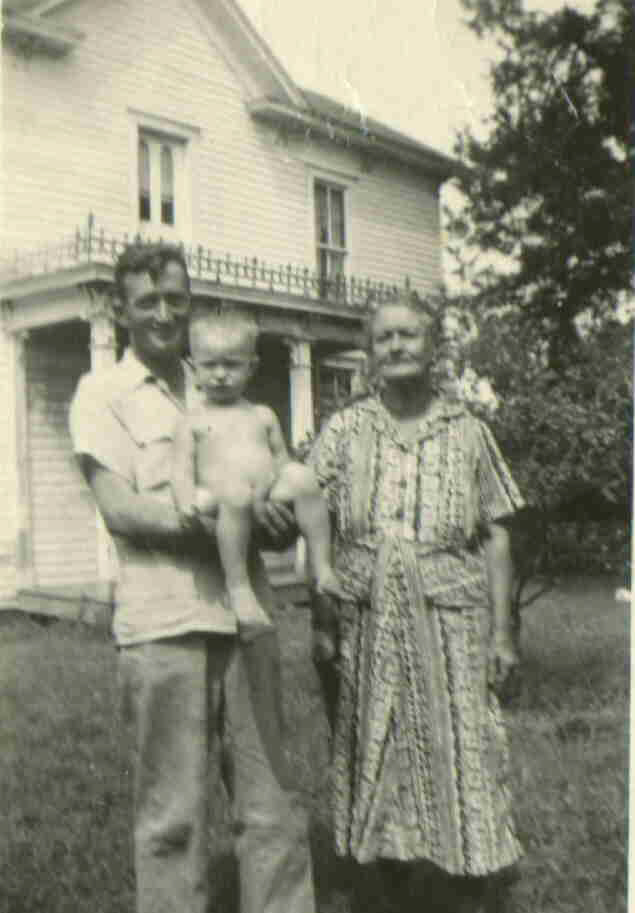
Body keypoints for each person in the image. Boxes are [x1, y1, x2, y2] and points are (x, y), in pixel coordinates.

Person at [68, 242, 316, 913]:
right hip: (163, 623)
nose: (163, 311)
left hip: (248, 620)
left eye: (175, 297)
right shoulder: (102, 394)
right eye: (147, 300)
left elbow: (272, 480)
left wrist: (274, 518)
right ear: (119, 309)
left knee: (271, 805)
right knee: (173, 815)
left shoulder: (218, 376)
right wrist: (217, 526)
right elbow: (120, 508)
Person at [309, 291, 524, 913]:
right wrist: (322, 621)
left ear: (434, 348)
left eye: (410, 335)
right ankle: (382, 885)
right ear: (370, 350)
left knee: (463, 745)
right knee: (372, 745)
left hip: (450, 613)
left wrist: (503, 634)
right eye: (385, 338)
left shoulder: (468, 432)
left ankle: (468, 881)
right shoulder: (346, 429)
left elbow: (497, 529)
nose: (397, 346)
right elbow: (313, 516)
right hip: (365, 614)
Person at [171, 307, 342, 653]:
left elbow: (281, 460)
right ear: (193, 369)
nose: (220, 375)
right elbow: (181, 469)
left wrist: (274, 488)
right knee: (234, 491)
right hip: (220, 501)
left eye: (231, 365)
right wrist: (185, 501)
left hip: (265, 496)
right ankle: (239, 589)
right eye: (210, 365)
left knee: (303, 475)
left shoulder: (262, 415)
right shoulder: (192, 420)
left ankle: (322, 568)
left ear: (251, 367)